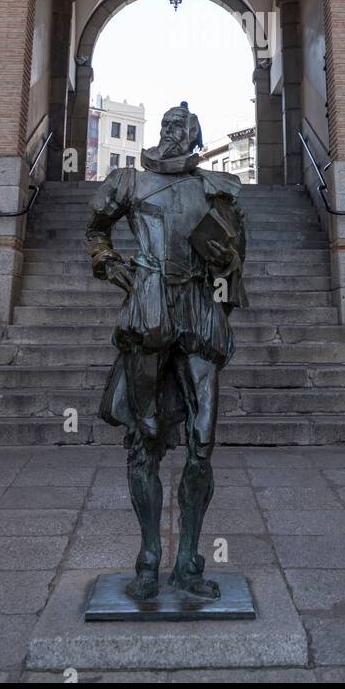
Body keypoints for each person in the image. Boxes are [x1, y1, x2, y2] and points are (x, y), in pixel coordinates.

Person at [86, 101, 247, 600]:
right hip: (150, 308)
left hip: (199, 310)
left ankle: (189, 562)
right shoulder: (129, 183)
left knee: (203, 441)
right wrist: (111, 265)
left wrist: (226, 268)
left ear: (196, 138)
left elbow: (234, 262)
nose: (173, 131)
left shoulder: (216, 188)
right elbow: (95, 230)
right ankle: (149, 558)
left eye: (183, 127)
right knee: (145, 437)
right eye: (168, 125)